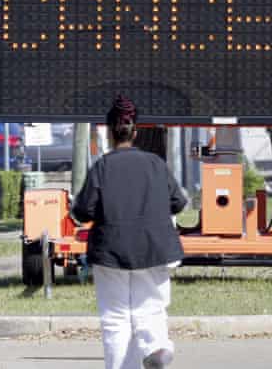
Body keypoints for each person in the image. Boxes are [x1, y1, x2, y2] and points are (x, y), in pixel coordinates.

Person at [72, 95, 188, 369]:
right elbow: (179, 202)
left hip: (112, 251)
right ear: (135, 131)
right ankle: (156, 346)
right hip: (155, 248)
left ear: (109, 132)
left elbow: (84, 211)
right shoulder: (156, 164)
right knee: (151, 308)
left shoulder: (102, 166)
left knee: (116, 318)